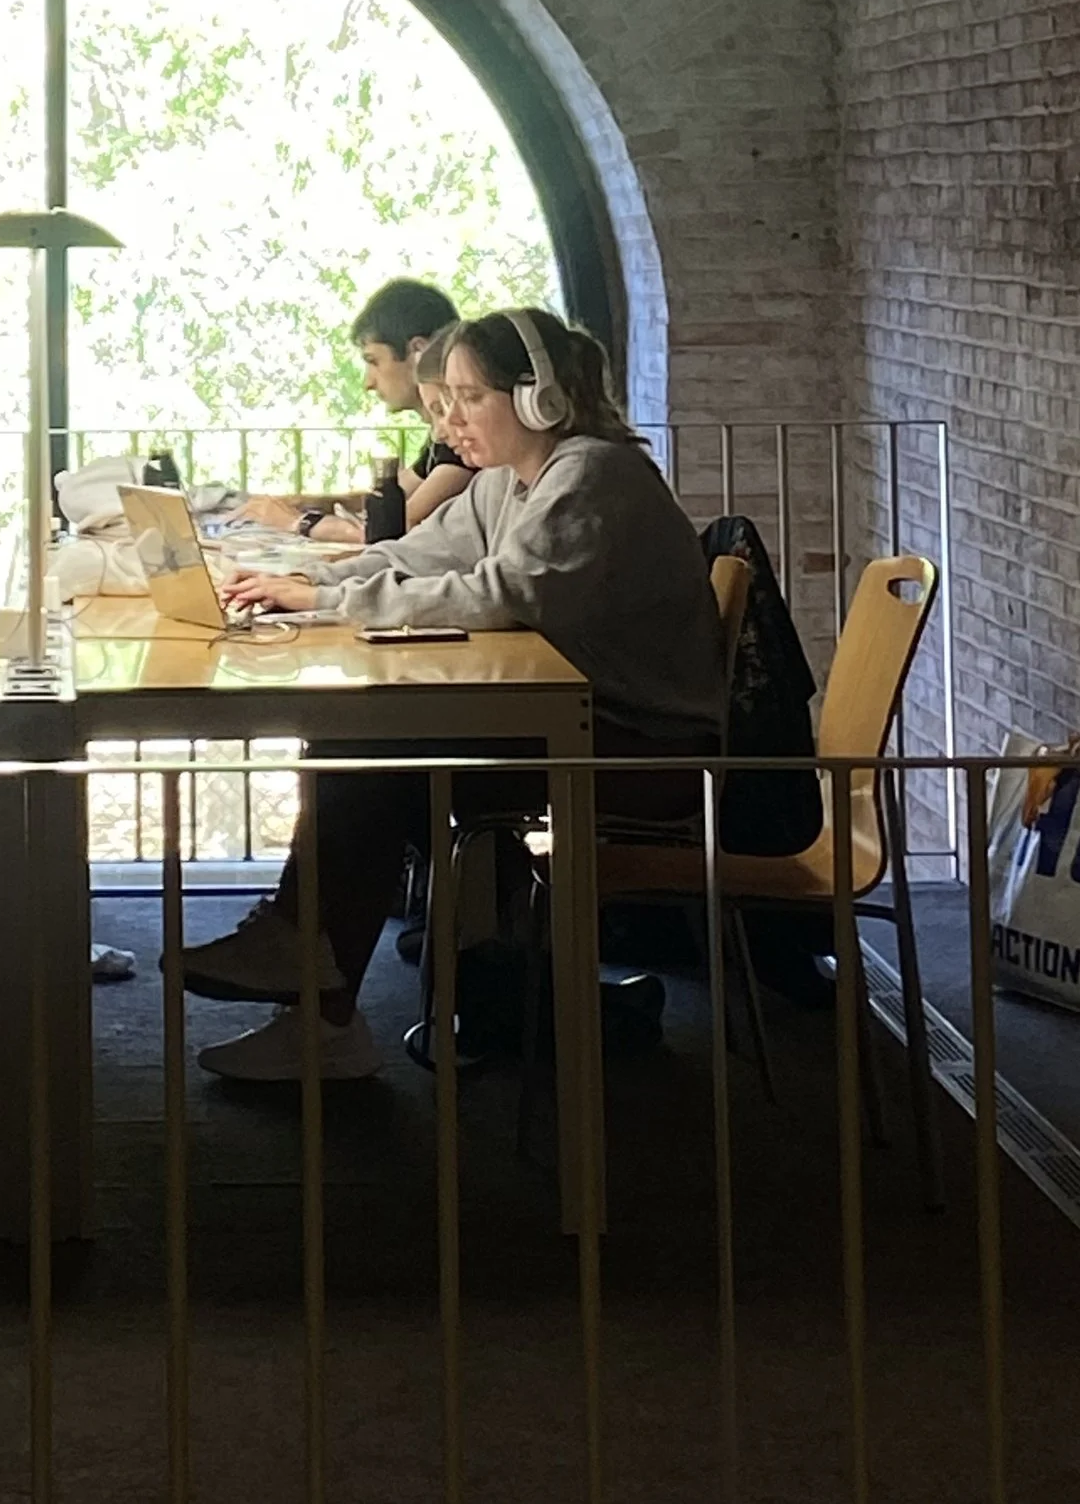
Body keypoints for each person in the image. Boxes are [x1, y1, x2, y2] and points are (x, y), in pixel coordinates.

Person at [175, 305, 724, 1080]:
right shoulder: (509, 482)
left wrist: (331, 605)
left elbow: (500, 593)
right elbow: (417, 553)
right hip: (578, 718)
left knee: (380, 742)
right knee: (373, 737)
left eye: (470, 396)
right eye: (447, 398)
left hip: (645, 749)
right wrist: (310, 581)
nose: (450, 418)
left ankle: (313, 980)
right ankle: (315, 983)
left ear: (538, 397)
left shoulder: (592, 473)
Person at [228, 278, 471, 539]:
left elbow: (399, 530)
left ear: (419, 352)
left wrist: (299, 522)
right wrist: (310, 502)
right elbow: (398, 498)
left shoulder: (464, 438)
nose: (368, 383)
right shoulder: (441, 442)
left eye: (373, 361)